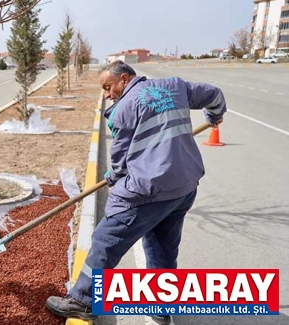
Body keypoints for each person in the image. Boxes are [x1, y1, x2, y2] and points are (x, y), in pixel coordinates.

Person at [45, 60, 226, 325]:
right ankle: (161, 306)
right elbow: (215, 95)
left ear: (125, 79)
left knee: (106, 239)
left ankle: (82, 300)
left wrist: (112, 178)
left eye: (108, 87)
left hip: (149, 190)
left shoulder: (124, 109)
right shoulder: (174, 86)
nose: (107, 95)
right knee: (162, 247)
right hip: (183, 188)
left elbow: (118, 163)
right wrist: (213, 116)